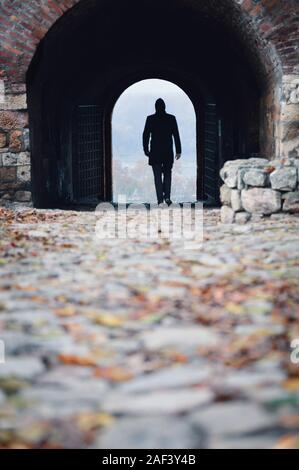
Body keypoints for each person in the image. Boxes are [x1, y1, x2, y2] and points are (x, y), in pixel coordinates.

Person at [143, 98, 182, 205]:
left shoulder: (150, 119)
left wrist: (146, 149)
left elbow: (145, 135)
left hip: (155, 151)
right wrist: (178, 150)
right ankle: (167, 197)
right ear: (165, 107)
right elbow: (176, 135)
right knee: (168, 174)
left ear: (155, 107)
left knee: (157, 176)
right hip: (167, 151)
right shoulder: (171, 118)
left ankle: (160, 199)